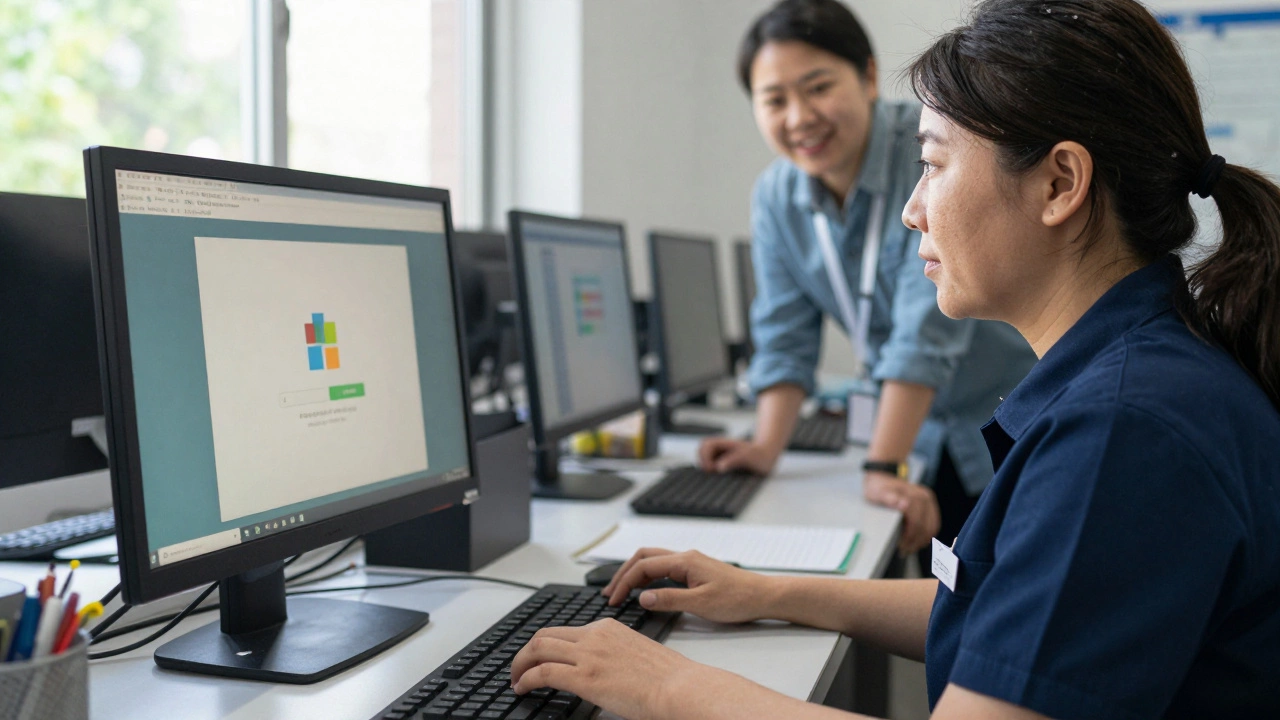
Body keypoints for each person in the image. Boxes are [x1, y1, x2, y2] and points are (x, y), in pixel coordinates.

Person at [509, 0, 1280, 717]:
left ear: (1059, 183)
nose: (914, 208)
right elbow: (998, 601)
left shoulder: (1121, 433)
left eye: (936, 164)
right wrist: (769, 591)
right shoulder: (1132, 376)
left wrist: (670, 685)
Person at [698, 0, 1036, 559]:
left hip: (1001, 415)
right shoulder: (777, 197)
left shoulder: (925, 151)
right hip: (918, 431)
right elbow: (785, 333)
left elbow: (923, 328)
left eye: (818, 87)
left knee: (1005, 595)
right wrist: (765, 446)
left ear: (869, 76)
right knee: (945, 599)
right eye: (774, 100)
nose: (799, 116)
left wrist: (882, 463)